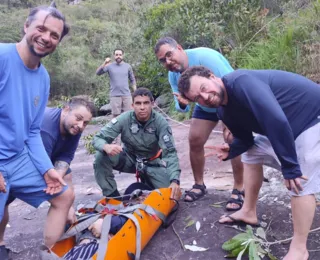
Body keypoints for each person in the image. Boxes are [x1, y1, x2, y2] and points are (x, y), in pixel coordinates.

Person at [178, 66, 320, 260]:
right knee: (251, 153)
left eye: (204, 88)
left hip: (312, 118)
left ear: (212, 76)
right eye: (198, 98)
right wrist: (233, 149)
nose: (205, 97)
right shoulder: (223, 111)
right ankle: (248, 211)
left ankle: (299, 249)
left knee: (299, 179)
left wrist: (290, 167)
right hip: (288, 127)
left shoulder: (241, 82)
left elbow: (275, 120)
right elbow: (247, 141)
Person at [0, 4, 73, 259]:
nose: (46, 37)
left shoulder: (43, 78)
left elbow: (32, 131)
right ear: (26, 26)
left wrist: (47, 169)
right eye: (41, 29)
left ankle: (50, 254)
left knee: (64, 195)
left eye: (54, 35)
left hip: (18, 159)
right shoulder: (2, 57)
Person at [154, 37, 244, 209]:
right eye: (163, 60)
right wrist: (181, 103)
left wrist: (229, 120)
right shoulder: (173, 75)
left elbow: (232, 84)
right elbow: (182, 109)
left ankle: (239, 188)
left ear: (179, 48)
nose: (168, 61)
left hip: (227, 100)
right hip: (204, 105)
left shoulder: (205, 57)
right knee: (194, 139)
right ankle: (199, 185)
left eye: (169, 55)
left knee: (232, 139)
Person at [0, 96, 95, 256]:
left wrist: (64, 194)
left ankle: (51, 251)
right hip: (20, 162)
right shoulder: (45, 127)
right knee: (5, 200)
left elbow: (65, 157)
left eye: (85, 123)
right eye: (78, 119)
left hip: (43, 162)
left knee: (66, 188)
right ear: (66, 110)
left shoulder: (74, 127)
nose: (81, 126)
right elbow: (38, 162)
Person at [92, 88, 181, 200]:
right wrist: (106, 146)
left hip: (152, 163)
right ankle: (113, 198)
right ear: (132, 105)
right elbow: (98, 138)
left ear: (152, 104)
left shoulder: (160, 122)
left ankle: (149, 182)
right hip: (129, 160)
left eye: (146, 103)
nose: (142, 107)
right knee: (101, 156)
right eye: (138, 103)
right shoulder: (124, 119)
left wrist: (174, 180)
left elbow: (170, 153)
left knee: (171, 197)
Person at [96, 49, 137, 117]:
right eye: (116, 55)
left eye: (120, 55)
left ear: (122, 56)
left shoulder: (128, 66)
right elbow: (98, 73)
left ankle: (127, 128)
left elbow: (132, 80)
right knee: (115, 117)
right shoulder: (109, 66)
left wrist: (135, 91)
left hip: (126, 95)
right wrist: (105, 63)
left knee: (129, 115)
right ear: (114, 56)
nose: (118, 56)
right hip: (114, 95)